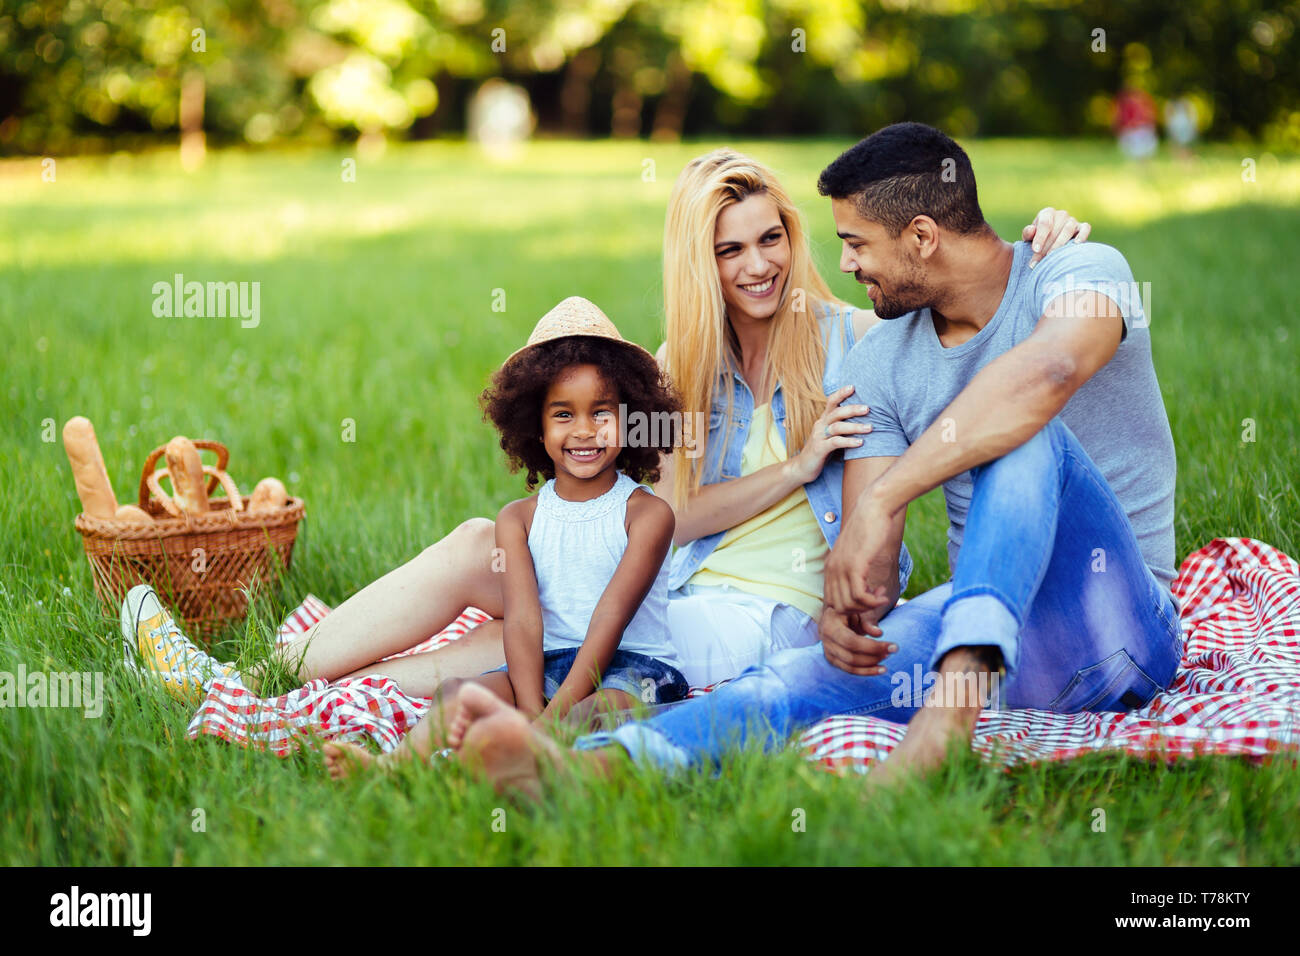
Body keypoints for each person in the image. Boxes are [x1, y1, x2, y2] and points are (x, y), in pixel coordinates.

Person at [120, 150, 1089, 711]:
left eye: (771, 237)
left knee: (515, 633)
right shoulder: (681, 368)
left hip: (770, 614)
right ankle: (260, 684)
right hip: (680, 579)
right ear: (696, 262)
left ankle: (255, 686)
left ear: (794, 236)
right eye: (727, 248)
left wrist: (1036, 242)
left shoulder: (855, 343)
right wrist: (796, 465)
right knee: (500, 586)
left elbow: (965, 331)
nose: (757, 264)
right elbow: (676, 513)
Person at [444, 122, 1182, 796]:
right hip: (986, 633)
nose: (843, 262)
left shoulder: (1080, 269)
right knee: (788, 680)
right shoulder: (885, 357)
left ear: (921, 235)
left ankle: (945, 727)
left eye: (857, 243)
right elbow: (874, 560)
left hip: (1118, 621)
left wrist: (892, 496)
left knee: (1031, 432)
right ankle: (591, 769)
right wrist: (847, 610)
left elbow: (1047, 375)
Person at [320, 297, 688, 777]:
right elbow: (521, 623)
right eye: (563, 415)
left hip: (634, 670)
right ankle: (392, 770)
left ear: (631, 415)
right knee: (458, 694)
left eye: (601, 412)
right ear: (533, 424)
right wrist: (530, 703)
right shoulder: (518, 519)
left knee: (590, 712)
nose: (584, 431)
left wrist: (549, 719)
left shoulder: (647, 514)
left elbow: (609, 619)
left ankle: (529, 758)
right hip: (548, 664)